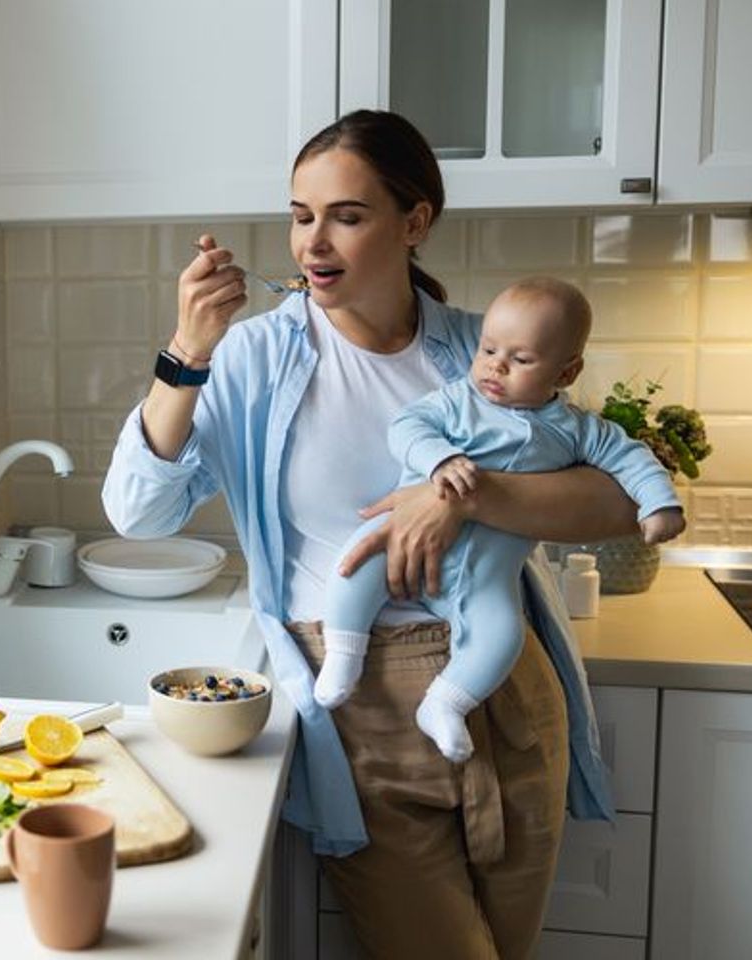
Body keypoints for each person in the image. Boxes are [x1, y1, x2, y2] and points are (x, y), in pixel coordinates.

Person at [102, 109, 642, 959]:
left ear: (414, 221)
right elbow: (140, 512)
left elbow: (616, 502)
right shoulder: (252, 357)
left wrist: (465, 496)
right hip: (360, 705)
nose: (314, 242)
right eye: (300, 215)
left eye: (347, 216)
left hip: (506, 685)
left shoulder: (483, 349)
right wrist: (186, 351)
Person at [315, 278, 687, 769]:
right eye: (488, 349)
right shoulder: (456, 401)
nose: (495, 365)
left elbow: (632, 460)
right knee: (354, 565)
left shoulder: (576, 429)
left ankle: (445, 704)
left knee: (502, 634)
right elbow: (407, 427)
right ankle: (344, 657)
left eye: (521, 359)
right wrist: (440, 461)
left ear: (566, 370)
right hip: (399, 541)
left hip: (483, 578)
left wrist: (660, 505)